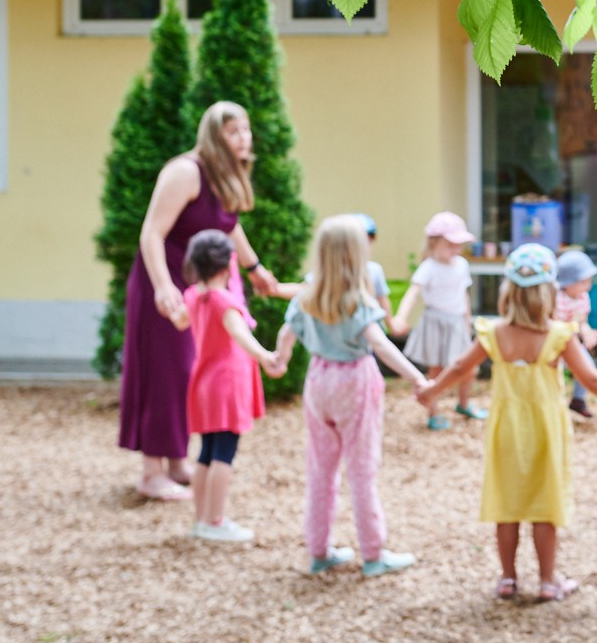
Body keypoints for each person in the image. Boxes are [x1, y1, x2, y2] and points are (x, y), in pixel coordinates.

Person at [418, 243, 597, 600]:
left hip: (506, 431)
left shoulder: (494, 333)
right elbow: (592, 380)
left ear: (507, 292)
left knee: (507, 503)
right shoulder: (559, 335)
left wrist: (431, 390)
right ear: (549, 292)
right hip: (545, 430)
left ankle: (507, 579)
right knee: (545, 505)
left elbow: (458, 367)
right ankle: (548, 581)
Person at [120, 101, 283, 502]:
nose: (243, 137)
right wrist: (161, 286)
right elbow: (151, 233)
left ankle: (177, 463)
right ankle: (151, 472)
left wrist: (254, 267)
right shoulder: (185, 172)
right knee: (165, 371)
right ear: (214, 135)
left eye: (245, 129)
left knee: (189, 371)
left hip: (200, 290)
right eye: (233, 131)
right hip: (168, 286)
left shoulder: (222, 177)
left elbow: (229, 225)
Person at [268, 215, 430, 578]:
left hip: (318, 380)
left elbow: (286, 332)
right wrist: (417, 378)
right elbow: (382, 346)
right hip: (354, 382)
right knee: (361, 470)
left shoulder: (308, 294)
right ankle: (373, 555)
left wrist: (280, 359)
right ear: (357, 255)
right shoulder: (357, 300)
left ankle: (319, 551)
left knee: (320, 469)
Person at [173, 228, 284, 543]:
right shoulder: (225, 301)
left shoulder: (194, 294)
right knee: (224, 454)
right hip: (225, 386)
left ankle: (201, 520)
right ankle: (216, 521)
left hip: (203, 383)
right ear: (227, 266)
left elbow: (181, 320)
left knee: (207, 452)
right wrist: (266, 356)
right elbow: (240, 335)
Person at [391, 212, 477, 430]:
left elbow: (463, 295)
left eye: (459, 245)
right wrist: (401, 316)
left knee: (470, 367)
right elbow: (413, 293)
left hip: (457, 322)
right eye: (451, 244)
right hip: (435, 323)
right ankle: (433, 412)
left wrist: (467, 324)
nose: (456, 250)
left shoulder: (462, 265)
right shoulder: (428, 267)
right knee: (436, 370)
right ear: (434, 242)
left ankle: (464, 403)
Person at [555, 248, 597, 421]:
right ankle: (555, 406)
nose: (588, 286)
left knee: (587, 368)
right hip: (553, 345)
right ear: (568, 282)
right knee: (553, 374)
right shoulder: (556, 298)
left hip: (571, 343)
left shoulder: (583, 297)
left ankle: (578, 400)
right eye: (583, 282)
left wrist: (588, 333)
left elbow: (581, 322)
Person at [356, 214, 389, 308]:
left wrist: (391, 322)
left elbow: (382, 299)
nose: (365, 247)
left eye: (369, 242)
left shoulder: (375, 269)